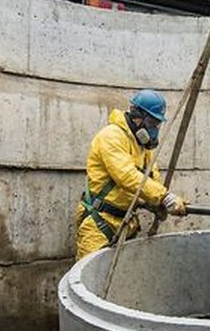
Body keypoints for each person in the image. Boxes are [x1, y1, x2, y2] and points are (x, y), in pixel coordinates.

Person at [75, 89, 187, 261]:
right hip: (99, 224)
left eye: (157, 123)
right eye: (151, 122)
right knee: (92, 278)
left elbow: (150, 180)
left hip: (126, 223)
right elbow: (126, 176)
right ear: (137, 116)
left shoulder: (143, 148)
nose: (154, 128)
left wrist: (154, 204)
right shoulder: (111, 136)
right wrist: (164, 197)